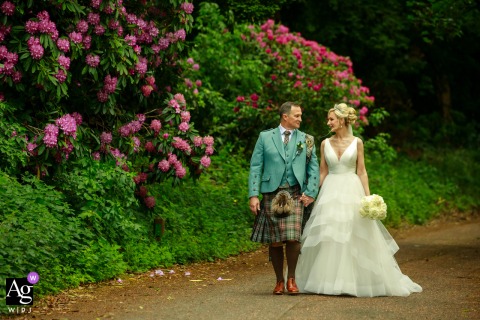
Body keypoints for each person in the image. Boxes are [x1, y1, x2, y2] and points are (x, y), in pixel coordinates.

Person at [295, 103, 423, 297]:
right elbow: (322, 172)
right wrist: (310, 192)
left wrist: (368, 197)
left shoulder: (358, 142)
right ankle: (328, 281)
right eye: (328, 119)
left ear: (342, 120)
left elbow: (361, 171)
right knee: (331, 234)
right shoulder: (325, 143)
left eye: (331, 119)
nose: (328, 122)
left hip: (351, 188)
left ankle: (355, 282)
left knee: (353, 233)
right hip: (330, 190)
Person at [249, 101, 320, 295]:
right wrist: (253, 195)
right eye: (297, 115)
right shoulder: (265, 137)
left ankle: (292, 279)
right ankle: (279, 280)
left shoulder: (307, 139)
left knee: (293, 237)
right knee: (275, 239)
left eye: (300, 115)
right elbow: (256, 166)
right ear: (285, 116)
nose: (300, 119)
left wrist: (311, 192)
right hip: (271, 192)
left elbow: (314, 168)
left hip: (296, 193)